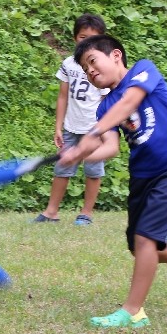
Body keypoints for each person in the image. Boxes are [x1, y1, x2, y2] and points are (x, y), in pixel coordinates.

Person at [58, 34, 167, 328]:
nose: (90, 71)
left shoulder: (144, 70)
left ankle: (132, 311)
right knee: (139, 247)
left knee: (146, 239)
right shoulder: (104, 107)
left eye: (93, 61)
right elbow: (110, 147)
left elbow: (129, 102)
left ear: (116, 55)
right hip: (142, 174)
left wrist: (90, 135)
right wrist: (78, 155)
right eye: (85, 69)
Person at [32, 13, 109, 226]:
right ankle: (51, 212)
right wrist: (58, 127)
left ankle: (86, 214)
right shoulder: (68, 63)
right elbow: (62, 96)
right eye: (83, 37)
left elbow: (107, 101)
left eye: (93, 38)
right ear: (75, 38)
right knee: (62, 169)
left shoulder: (103, 67)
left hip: (94, 129)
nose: (87, 42)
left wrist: (102, 130)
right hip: (71, 128)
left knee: (93, 171)